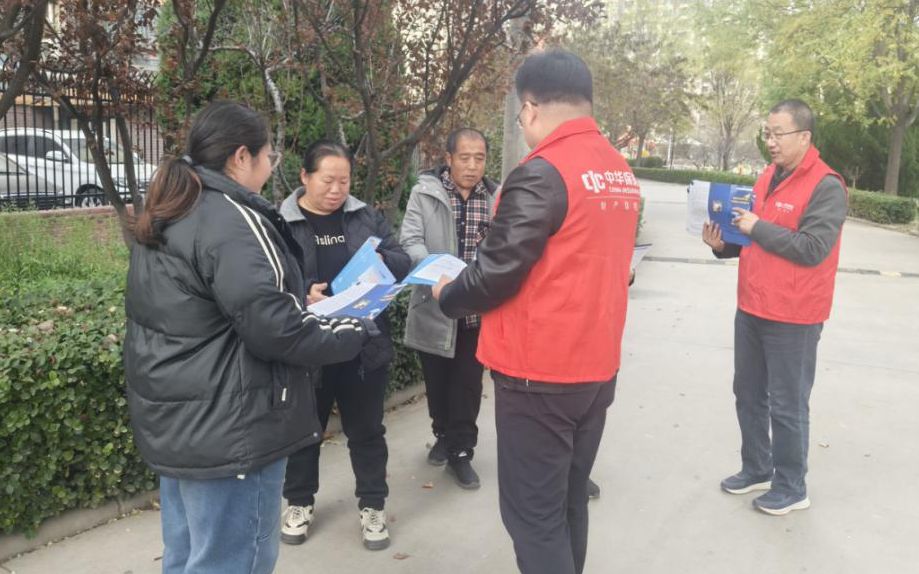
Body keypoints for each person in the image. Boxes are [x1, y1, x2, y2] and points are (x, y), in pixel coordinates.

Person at [124, 101, 377, 574]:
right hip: (232, 430)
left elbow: (208, 310)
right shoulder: (231, 218)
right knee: (234, 562)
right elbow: (275, 329)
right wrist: (353, 327)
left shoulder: (174, 207)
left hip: (182, 424)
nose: (268, 166)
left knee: (187, 558)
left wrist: (292, 299)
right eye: (268, 156)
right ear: (242, 156)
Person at [433, 49, 640, 574]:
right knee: (568, 501)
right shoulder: (618, 170)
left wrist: (448, 295)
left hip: (539, 375)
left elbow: (494, 273)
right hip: (595, 369)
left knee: (533, 518)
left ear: (529, 108)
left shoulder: (543, 172)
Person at [703, 99, 847, 516]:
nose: (770, 141)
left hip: (794, 315)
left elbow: (812, 248)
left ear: (804, 136)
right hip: (752, 305)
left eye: (778, 133)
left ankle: (791, 486)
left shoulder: (826, 185)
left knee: (787, 404)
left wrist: (758, 227)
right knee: (748, 394)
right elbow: (752, 239)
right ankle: (757, 468)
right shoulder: (768, 176)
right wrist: (723, 245)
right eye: (767, 133)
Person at [278, 140, 410, 550]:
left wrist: (381, 265)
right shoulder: (281, 223)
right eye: (328, 180)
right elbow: (266, 279)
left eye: (344, 181)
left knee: (367, 431)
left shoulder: (365, 216)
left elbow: (401, 258)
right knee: (305, 432)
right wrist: (302, 292)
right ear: (305, 176)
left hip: (361, 346)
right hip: (309, 347)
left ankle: (373, 506)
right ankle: (299, 502)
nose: (337, 190)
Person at [399, 127, 497, 490]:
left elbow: (503, 248)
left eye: (479, 158)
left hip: (475, 311)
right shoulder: (425, 193)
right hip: (435, 305)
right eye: (465, 158)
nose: (472, 166)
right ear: (449, 158)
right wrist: (435, 273)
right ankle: (442, 433)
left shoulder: (496, 198)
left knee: (467, 386)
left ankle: (461, 452)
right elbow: (410, 240)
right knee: (437, 384)